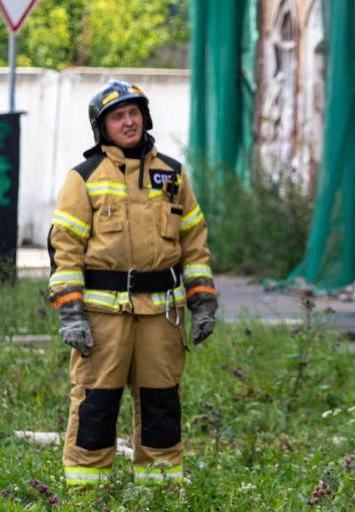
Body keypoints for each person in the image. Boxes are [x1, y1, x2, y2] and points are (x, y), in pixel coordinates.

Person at [47, 80, 217, 487]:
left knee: (162, 406)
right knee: (96, 406)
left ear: (145, 117)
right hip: (104, 317)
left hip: (162, 315)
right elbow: (64, 250)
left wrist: (204, 302)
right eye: (118, 116)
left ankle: (159, 494)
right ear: (102, 127)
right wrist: (71, 315)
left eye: (134, 112)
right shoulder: (84, 177)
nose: (128, 121)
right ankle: (85, 499)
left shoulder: (173, 176)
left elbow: (194, 244)